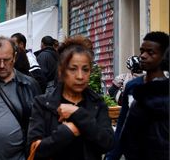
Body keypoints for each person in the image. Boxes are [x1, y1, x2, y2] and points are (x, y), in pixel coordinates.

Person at [27, 35, 114, 160]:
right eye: (73, 69)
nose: (80, 76)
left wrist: (78, 114)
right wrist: (67, 131)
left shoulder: (97, 103)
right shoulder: (43, 104)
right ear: (61, 71)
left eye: (85, 70)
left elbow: (107, 143)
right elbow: (35, 151)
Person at [107, 31, 169, 160]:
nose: (143, 56)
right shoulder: (132, 86)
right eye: (142, 51)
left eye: (150, 52)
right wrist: (112, 156)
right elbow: (122, 125)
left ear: (164, 56)